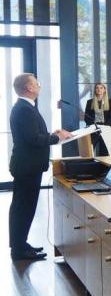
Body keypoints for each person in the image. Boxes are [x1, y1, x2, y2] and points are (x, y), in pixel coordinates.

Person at [8, 73, 71, 260]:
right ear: (29, 88)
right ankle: (19, 249)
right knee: (23, 207)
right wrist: (57, 137)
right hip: (28, 166)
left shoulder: (24, 107)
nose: (39, 86)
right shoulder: (25, 109)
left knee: (23, 206)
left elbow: (33, 135)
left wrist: (52, 134)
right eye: (37, 83)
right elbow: (34, 139)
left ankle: (20, 244)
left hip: (28, 165)